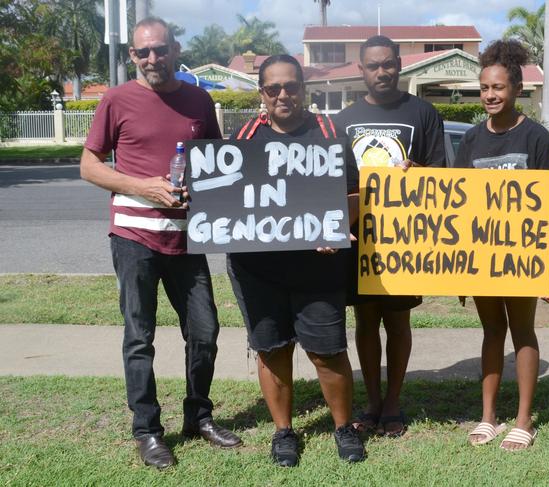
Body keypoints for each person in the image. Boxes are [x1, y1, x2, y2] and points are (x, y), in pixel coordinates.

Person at [80, 17, 241, 469]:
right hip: (133, 236)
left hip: (187, 238)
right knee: (139, 336)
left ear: (175, 49)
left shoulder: (198, 99)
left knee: (205, 330)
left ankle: (198, 416)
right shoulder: (117, 100)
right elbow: (90, 166)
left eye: (161, 49)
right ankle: (147, 430)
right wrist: (142, 186)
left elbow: (217, 161)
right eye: (143, 52)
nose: (153, 58)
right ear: (133, 55)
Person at [227, 54, 365, 467]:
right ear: (262, 94)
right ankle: (283, 432)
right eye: (274, 88)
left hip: (318, 269)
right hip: (258, 269)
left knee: (328, 352)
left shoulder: (329, 134)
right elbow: (224, 200)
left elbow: (356, 195)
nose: (283, 95)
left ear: (304, 89)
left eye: (291, 86)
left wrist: (335, 226)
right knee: (272, 350)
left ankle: (343, 427)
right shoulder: (242, 139)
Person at [452, 39, 549, 451]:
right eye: (484, 88)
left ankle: (523, 420)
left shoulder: (536, 138)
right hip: (482, 258)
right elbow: (458, 205)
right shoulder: (469, 141)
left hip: (524, 259)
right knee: (490, 332)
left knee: (522, 331)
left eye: (498, 88)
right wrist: (460, 269)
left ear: (517, 89)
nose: (490, 95)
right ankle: (487, 418)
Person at [334, 35, 446, 437]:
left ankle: (394, 402)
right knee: (365, 322)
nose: (381, 71)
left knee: (398, 322)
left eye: (388, 64)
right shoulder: (343, 121)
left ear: (399, 64)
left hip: (406, 239)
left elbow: (442, 176)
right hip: (361, 238)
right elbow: (337, 183)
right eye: (372, 65)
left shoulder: (424, 113)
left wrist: (419, 173)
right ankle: (373, 402)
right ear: (360, 69)